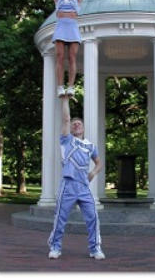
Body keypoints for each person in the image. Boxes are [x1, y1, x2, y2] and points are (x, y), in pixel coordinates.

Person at [47, 94, 105, 260]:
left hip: (84, 187)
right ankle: (55, 247)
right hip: (68, 185)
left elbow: (99, 162)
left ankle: (95, 248)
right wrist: (65, 100)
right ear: (71, 128)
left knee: (93, 217)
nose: (76, 124)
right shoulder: (67, 140)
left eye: (79, 123)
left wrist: (93, 173)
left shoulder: (90, 146)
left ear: (84, 128)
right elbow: (66, 119)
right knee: (61, 218)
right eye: (74, 124)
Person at [28, 0, 99, 97]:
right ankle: (60, 87)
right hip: (61, 27)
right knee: (60, 57)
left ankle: (71, 87)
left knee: (72, 57)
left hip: (72, 27)